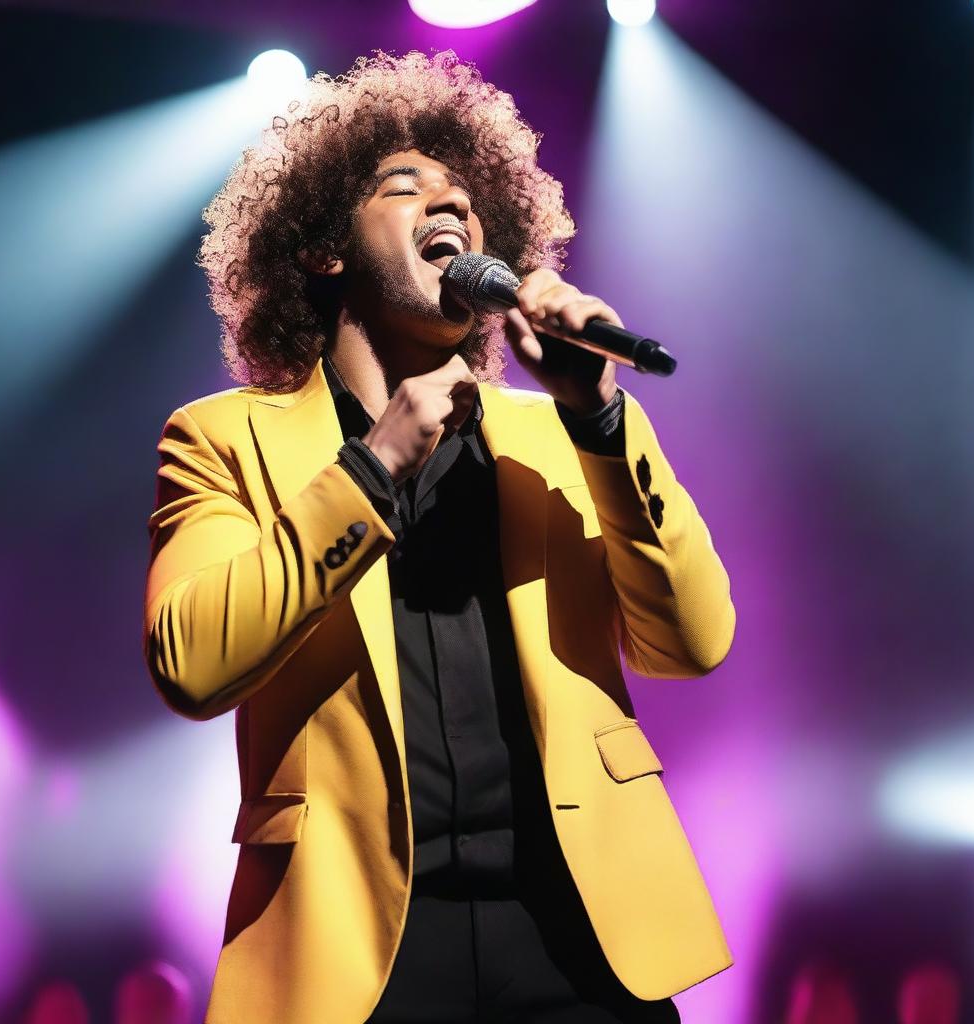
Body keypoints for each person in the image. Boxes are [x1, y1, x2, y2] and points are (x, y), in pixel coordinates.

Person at [142, 49, 736, 1024]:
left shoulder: (559, 433)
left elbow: (694, 641)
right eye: (404, 187)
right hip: (359, 957)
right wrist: (372, 469)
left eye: (465, 195)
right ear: (322, 249)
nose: (448, 207)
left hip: (580, 940)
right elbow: (192, 664)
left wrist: (598, 420)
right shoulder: (221, 436)